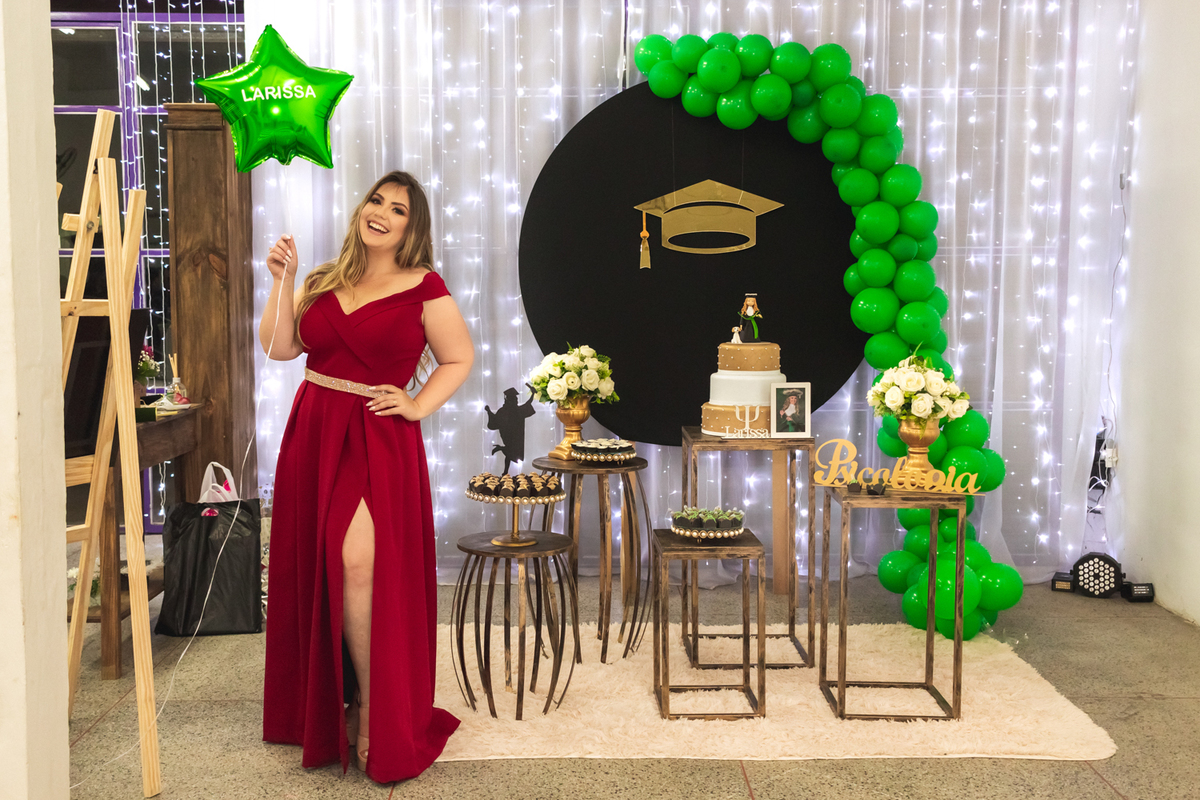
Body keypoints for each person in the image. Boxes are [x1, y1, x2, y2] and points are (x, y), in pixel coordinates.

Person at [259, 171, 473, 782]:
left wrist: (417, 404)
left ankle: (377, 708)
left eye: (398, 209)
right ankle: (335, 703)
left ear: (412, 227)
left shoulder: (425, 287)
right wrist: (281, 281)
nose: (381, 212)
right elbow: (280, 348)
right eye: (376, 201)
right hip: (315, 431)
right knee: (318, 564)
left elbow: (458, 358)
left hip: (377, 438)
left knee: (358, 562)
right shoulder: (325, 278)